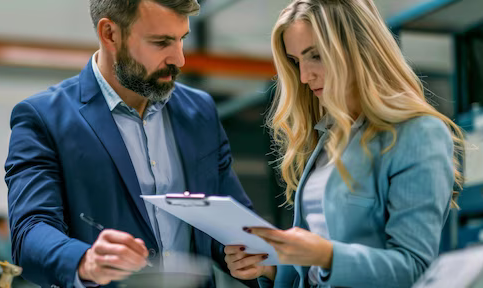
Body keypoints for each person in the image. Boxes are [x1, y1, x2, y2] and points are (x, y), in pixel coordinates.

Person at [4, 1, 255, 287]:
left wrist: (248, 254)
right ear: (110, 33)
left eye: (181, 39)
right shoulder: (43, 118)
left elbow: (233, 224)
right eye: (161, 42)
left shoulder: (200, 111)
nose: (179, 59)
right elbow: (31, 231)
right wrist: (86, 260)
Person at [223, 0, 465, 287]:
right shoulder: (329, 136)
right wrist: (270, 266)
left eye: (316, 56)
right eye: (296, 61)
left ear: (358, 49)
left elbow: (412, 268)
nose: (304, 76)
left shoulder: (418, 133)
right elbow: (313, 269)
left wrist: (326, 255)